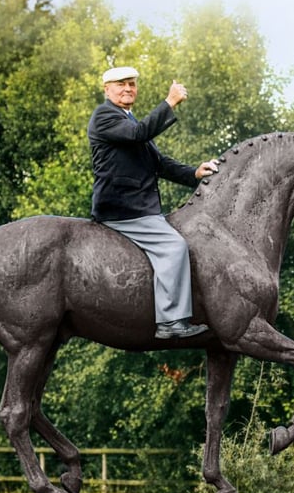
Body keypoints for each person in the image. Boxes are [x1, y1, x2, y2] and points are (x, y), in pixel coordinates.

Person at [88, 66, 219, 339]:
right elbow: (140, 134)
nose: (128, 89)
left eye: (132, 84)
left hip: (137, 206)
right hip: (122, 207)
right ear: (107, 90)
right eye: (121, 84)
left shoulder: (128, 118)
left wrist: (194, 173)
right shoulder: (104, 116)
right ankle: (170, 323)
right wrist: (169, 102)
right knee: (173, 247)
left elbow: (157, 163)